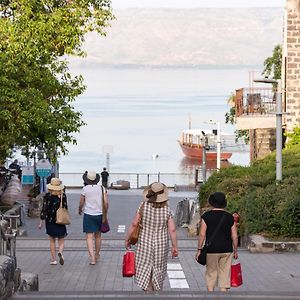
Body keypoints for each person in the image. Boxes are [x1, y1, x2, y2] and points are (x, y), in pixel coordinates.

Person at [125, 182, 178, 292]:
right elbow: (172, 230)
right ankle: (157, 288)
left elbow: (134, 224)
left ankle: (147, 288)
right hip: (161, 244)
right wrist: (174, 246)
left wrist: (127, 238)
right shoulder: (167, 209)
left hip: (144, 242)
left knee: (145, 266)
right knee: (158, 267)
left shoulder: (143, 206)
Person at [195, 192, 238, 292]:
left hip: (211, 250)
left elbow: (202, 234)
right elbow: (234, 236)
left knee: (211, 274)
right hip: (227, 249)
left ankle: (211, 295)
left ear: (212, 203)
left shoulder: (206, 216)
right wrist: (235, 250)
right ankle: (223, 295)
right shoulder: (229, 217)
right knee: (225, 276)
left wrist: (199, 249)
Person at [78, 170, 108, 265]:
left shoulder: (85, 189)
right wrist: (105, 213)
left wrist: (80, 209)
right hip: (99, 214)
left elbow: (81, 202)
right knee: (98, 236)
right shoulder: (102, 188)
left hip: (88, 214)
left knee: (89, 237)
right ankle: (97, 254)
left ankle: (92, 259)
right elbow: (106, 202)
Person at [38, 177, 68, 265]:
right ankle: (61, 252)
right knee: (61, 239)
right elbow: (65, 207)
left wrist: (40, 222)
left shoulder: (47, 196)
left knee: (52, 240)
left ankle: (54, 260)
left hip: (49, 220)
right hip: (60, 220)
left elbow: (44, 209)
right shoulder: (63, 195)